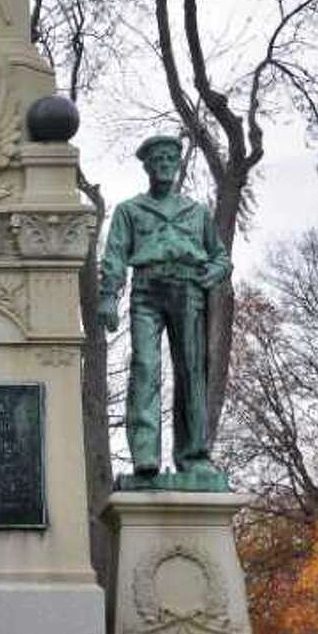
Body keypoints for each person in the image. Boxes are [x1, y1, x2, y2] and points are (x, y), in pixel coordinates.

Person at [97, 134, 231, 483]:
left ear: (178, 164)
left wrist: (213, 273)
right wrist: (109, 295)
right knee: (145, 366)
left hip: (189, 290)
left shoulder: (196, 212)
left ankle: (194, 455)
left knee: (191, 371)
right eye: (158, 159)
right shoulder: (130, 210)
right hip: (147, 289)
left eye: (171, 158)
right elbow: (113, 256)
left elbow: (220, 256)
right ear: (147, 166)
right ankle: (145, 454)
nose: (164, 164)